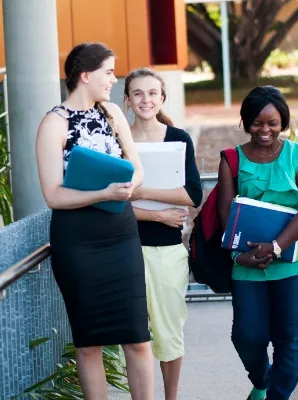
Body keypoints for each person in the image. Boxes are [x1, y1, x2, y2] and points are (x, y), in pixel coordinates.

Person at [34, 42, 155, 400]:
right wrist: (103, 194)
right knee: (89, 344)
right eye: (108, 72)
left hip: (121, 234)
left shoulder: (113, 112)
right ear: (85, 75)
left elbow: (137, 166)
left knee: (138, 336)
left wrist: (133, 183)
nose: (113, 79)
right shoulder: (53, 123)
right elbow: (53, 195)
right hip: (78, 242)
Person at [217, 86, 298, 400]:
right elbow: (226, 216)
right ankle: (262, 382)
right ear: (246, 122)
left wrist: (276, 246)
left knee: (290, 339)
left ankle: (277, 396)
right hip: (248, 264)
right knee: (247, 336)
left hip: (294, 264)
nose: (265, 130)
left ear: (283, 122)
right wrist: (239, 257)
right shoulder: (232, 159)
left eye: (273, 123)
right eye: (257, 123)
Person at [124, 67, 203, 400]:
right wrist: (155, 212)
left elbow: (193, 194)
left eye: (152, 93)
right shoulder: (118, 142)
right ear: (127, 101)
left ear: (162, 98)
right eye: (138, 93)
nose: (146, 99)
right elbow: (111, 202)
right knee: (133, 334)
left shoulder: (178, 139)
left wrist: (141, 192)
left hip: (168, 252)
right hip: (126, 250)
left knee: (169, 333)